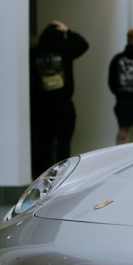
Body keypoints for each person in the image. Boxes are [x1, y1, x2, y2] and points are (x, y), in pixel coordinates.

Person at [30, 20, 89, 177]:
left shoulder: (35, 52)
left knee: (44, 141)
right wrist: (67, 30)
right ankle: (63, 175)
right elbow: (83, 44)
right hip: (63, 102)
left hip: (42, 104)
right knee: (64, 141)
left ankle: (43, 175)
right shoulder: (64, 49)